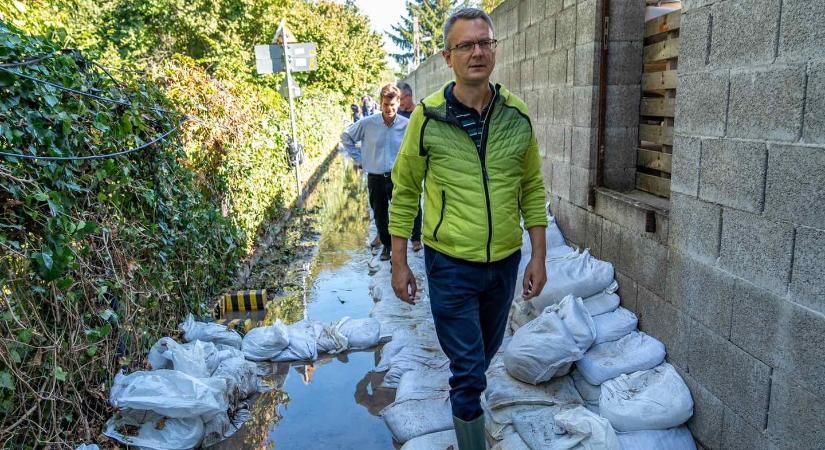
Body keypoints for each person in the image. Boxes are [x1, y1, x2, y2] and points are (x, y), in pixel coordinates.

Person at [388, 7, 547, 450]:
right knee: (469, 369)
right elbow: (404, 193)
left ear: (493, 49)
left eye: (485, 43)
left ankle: (469, 413)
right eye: (466, 45)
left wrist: (539, 255)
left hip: (504, 264)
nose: (477, 52)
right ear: (447, 57)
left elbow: (532, 187)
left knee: (485, 354)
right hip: (451, 264)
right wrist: (399, 263)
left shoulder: (517, 115)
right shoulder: (428, 117)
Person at [341, 84, 410, 261]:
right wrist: (360, 159)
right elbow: (346, 136)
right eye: (386, 105)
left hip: (398, 177)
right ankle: (387, 245)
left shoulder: (407, 125)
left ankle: (399, 251)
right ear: (381, 103)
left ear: (399, 103)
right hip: (376, 177)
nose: (389, 109)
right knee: (380, 215)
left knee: (399, 214)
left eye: (393, 105)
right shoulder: (368, 123)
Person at [396, 81, 423, 252]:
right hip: (399, 160)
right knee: (400, 200)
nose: (399, 103)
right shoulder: (396, 113)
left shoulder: (419, 113)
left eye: (401, 99)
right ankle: (395, 239)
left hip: (417, 161)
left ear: (409, 96)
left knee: (416, 199)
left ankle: (415, 237)